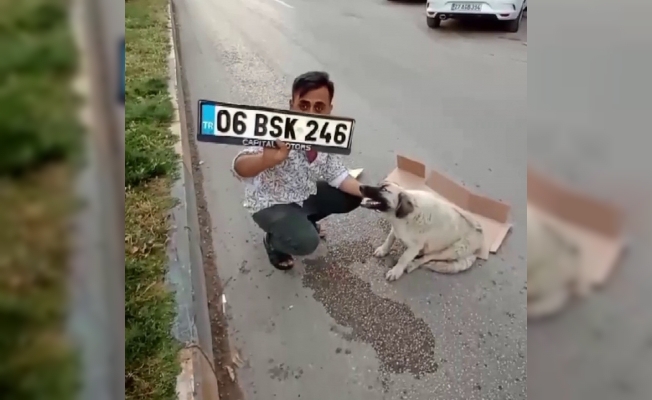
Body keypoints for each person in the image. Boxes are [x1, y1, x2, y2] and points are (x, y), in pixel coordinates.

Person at [232, 71, 363, 270]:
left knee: (352, 196)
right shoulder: (276, 129)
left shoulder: (326, 136)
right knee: (307, 242)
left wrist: (375, 194)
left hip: (300, 196)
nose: (311, 114)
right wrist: (265, 160)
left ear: (329, 110)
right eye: (303, 105)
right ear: (291, 105)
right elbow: (239, 166)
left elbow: (338, 175)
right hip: (270, 204)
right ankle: (275, 243)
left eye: (319, 107)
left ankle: (300, 222)